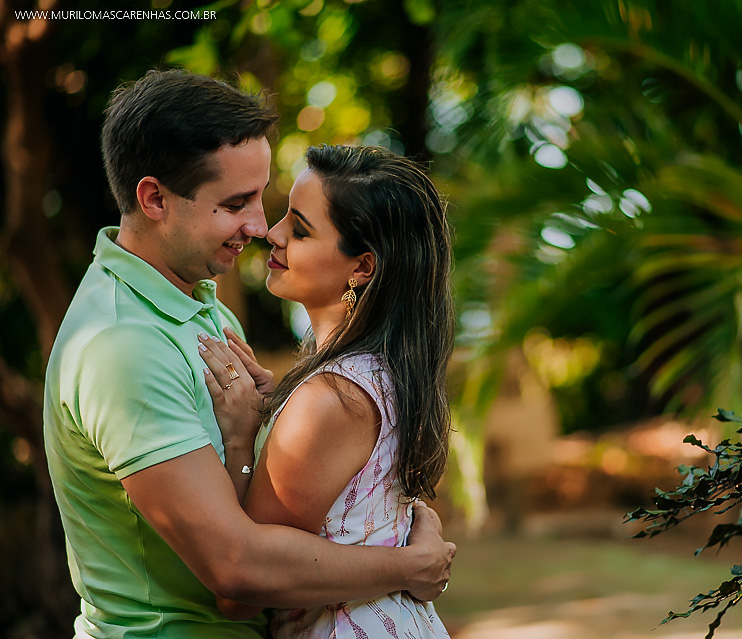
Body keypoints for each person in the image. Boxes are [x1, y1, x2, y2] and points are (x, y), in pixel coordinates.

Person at [42, 69, 454, 639]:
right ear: (155, 198)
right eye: (237, 203)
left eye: (264, 198)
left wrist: (258, 423)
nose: (261, 227)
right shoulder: (122, 346)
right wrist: (410, 566)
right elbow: (236, 568)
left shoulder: (207, 309)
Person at [196, 144, 453, 638]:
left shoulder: (333, 399)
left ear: (362, 267)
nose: (272, 233)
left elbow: (240, 590)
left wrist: (240, 441)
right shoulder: (380, 374)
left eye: (300, 228)